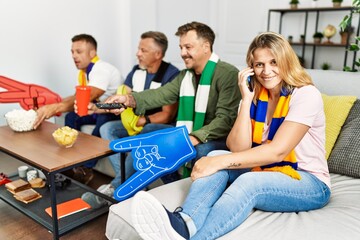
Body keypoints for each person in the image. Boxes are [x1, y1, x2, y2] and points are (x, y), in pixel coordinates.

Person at [130, 31, 331, 240]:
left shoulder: (305, 94)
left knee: (247, 180)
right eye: (259, 64)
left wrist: (219, 162)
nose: (267, 71)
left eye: (274, 62)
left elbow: (277, 151)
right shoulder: (255, 96)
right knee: (216, 155)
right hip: (264, 168)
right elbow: (238, 149)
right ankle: (185, 224)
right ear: (251, 68)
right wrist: (245, 100)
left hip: (308, 181)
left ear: (287, 61)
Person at [88, 21, 241, 207]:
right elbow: (160, 94)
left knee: (198, 150)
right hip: (190, 133)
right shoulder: (186, 76)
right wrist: (127, 100)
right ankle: (123, 186)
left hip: (216, 138)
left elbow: (225, 120)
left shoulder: (228, 74)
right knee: (149, 131)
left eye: (188, 47)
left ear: (206, 46)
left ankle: (180, 197)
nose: (183, 52)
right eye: (181, 47)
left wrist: (192, 138)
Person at [81, 31, 179, 207]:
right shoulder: (136, 70)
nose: (138, 53)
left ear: (158, 54)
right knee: (107, 128)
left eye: (143, 50)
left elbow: (167, 114)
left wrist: (144, 121)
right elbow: (122, 98)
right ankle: (133, 183)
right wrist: (97, 107)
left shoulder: (171, 74)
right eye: (138, 49)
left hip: (157, 125)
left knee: (139, 137)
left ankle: (116, 187)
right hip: (134, 123)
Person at [34, 34, 123, 184]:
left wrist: (55, 107)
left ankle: (86, 168)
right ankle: (69, 161)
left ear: (92, 53)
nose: (74, 56)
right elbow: (77, 96)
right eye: (72, 52)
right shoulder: (83, 72)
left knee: (102, 121)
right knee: (71, 117)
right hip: (96, 109)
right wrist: (56, 104)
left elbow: (88, 96)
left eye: (79, 51)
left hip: (113, 112)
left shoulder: (100, 69)